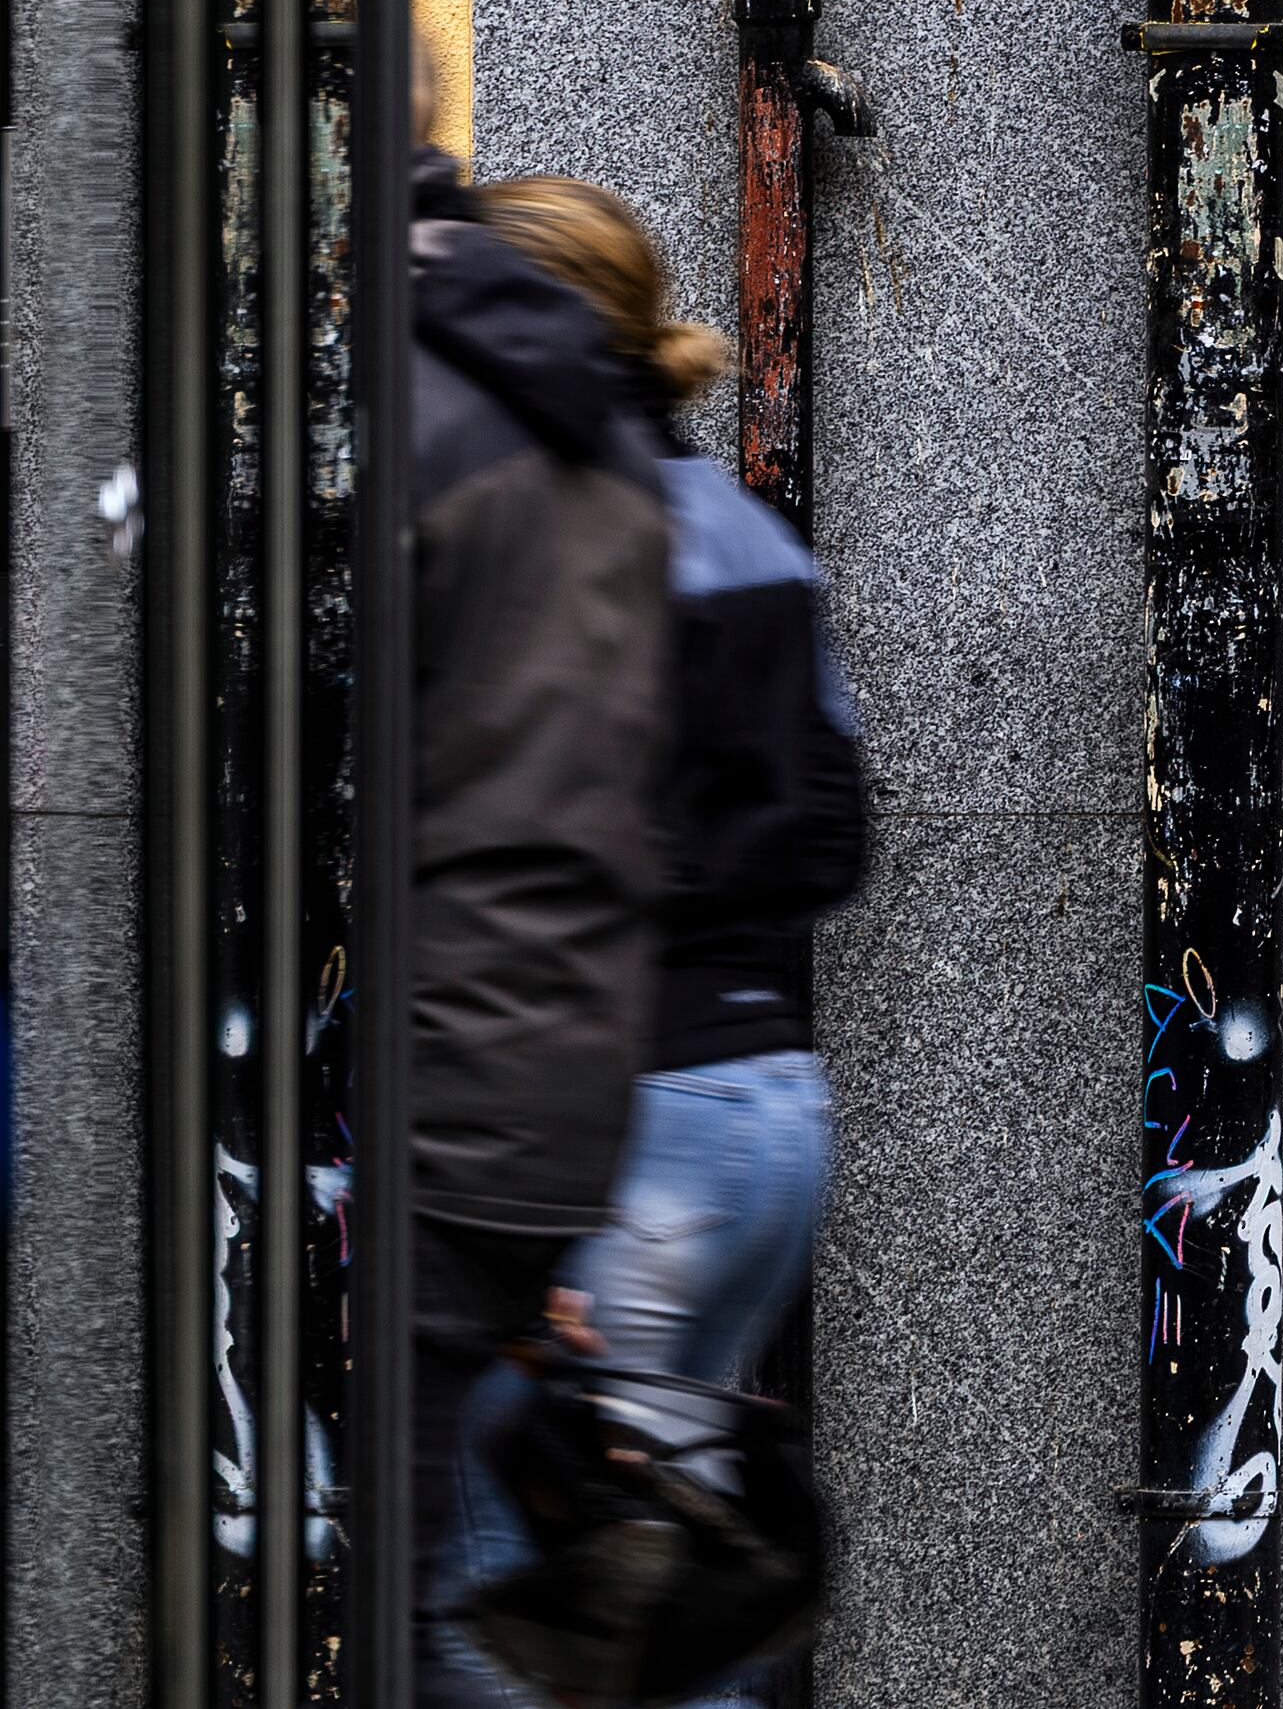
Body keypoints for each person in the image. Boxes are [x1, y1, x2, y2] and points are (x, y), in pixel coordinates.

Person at [442, 177, 870, 1701]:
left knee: (521, 1594)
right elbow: (829, 835)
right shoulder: (741, 531)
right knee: (656, 1585)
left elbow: (515, 872)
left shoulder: (550, 534)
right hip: (758, 1111)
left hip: (616, 1128)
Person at [403, 151, 675, 1709]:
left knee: (426, 1589)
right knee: (469, 1555)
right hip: (554, 1087)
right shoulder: (624, 483)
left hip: (472, 1089)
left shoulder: (474, 462)